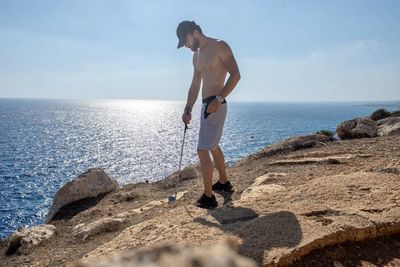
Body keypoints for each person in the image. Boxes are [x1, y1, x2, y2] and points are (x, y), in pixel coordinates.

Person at [176, 21, 241, 209]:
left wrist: (219, 99)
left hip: (217, 104)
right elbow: (195, 85)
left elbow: (236, 74)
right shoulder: (196, 57)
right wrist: (187, 108)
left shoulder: (220, 45)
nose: (186, 45)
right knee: (212, 146)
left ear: (195, 33)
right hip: (206, 105)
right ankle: (223, 183)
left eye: (186, 41)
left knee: (202, 149)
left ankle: (208, 197)